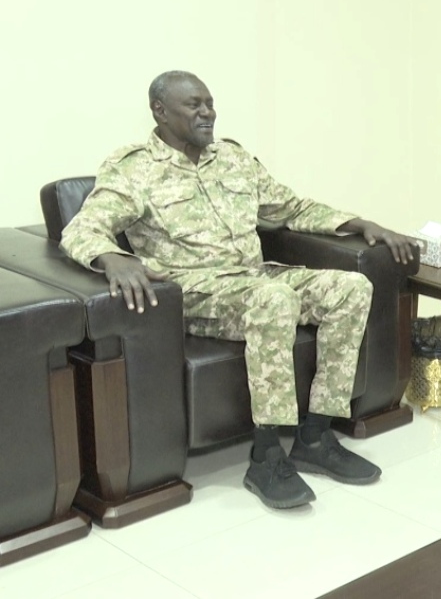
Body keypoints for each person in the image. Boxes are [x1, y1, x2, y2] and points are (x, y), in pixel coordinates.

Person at [60, 71, 417, 510]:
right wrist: (113, 258)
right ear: (160, 111)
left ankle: (315, 437)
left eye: (210, 103)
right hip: (195, 290)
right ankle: (266, 458)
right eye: (194, 105)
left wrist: (362, 224)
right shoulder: (134, 168)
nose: (207, 113)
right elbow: (82, 229)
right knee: (274, 299)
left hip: (254, 276)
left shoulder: (232, 157)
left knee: (350, 287)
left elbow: (290, 207)